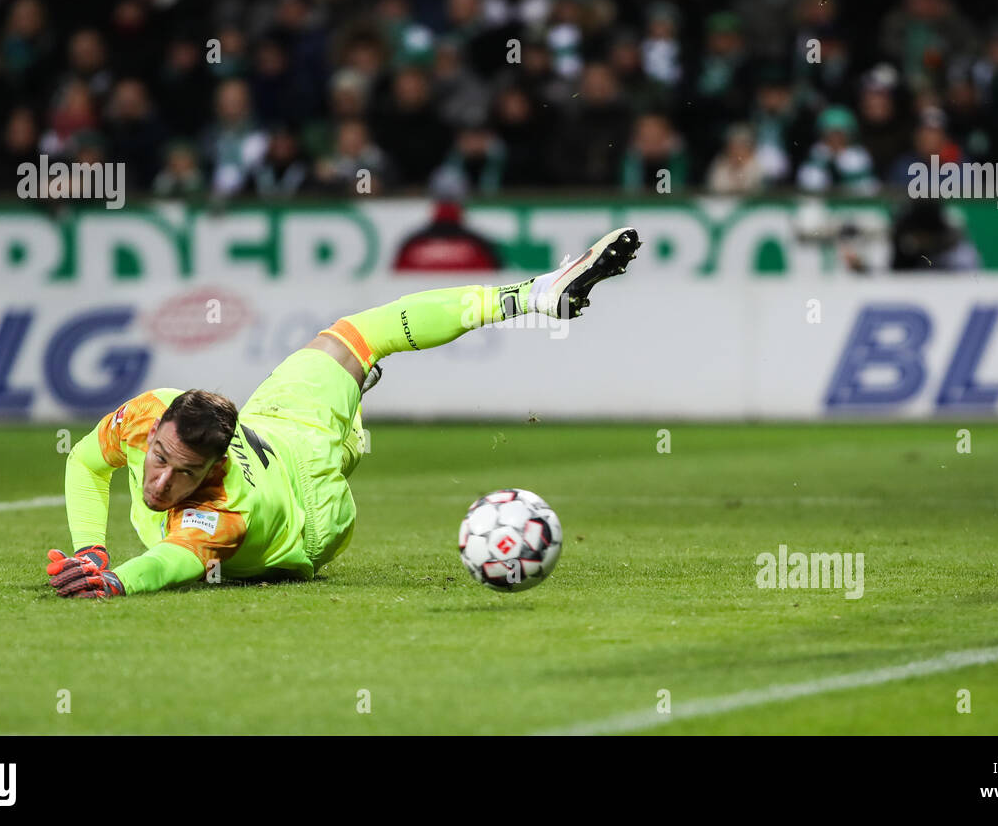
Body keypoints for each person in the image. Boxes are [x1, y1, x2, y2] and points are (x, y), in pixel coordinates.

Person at [46, 228, 642, 598]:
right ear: (158, 428)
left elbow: (172, 558)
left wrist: (117, 580)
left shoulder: (222, 508)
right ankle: (352, 407)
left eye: (184, 474)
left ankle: (532, 295)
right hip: (293, 475)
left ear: (211, 471)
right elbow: (85, 462)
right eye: (159, 459)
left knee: (355, 344)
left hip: (296, 479)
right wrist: (91, 551)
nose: (159, 481)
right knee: (346, 361)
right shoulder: (145, 414)